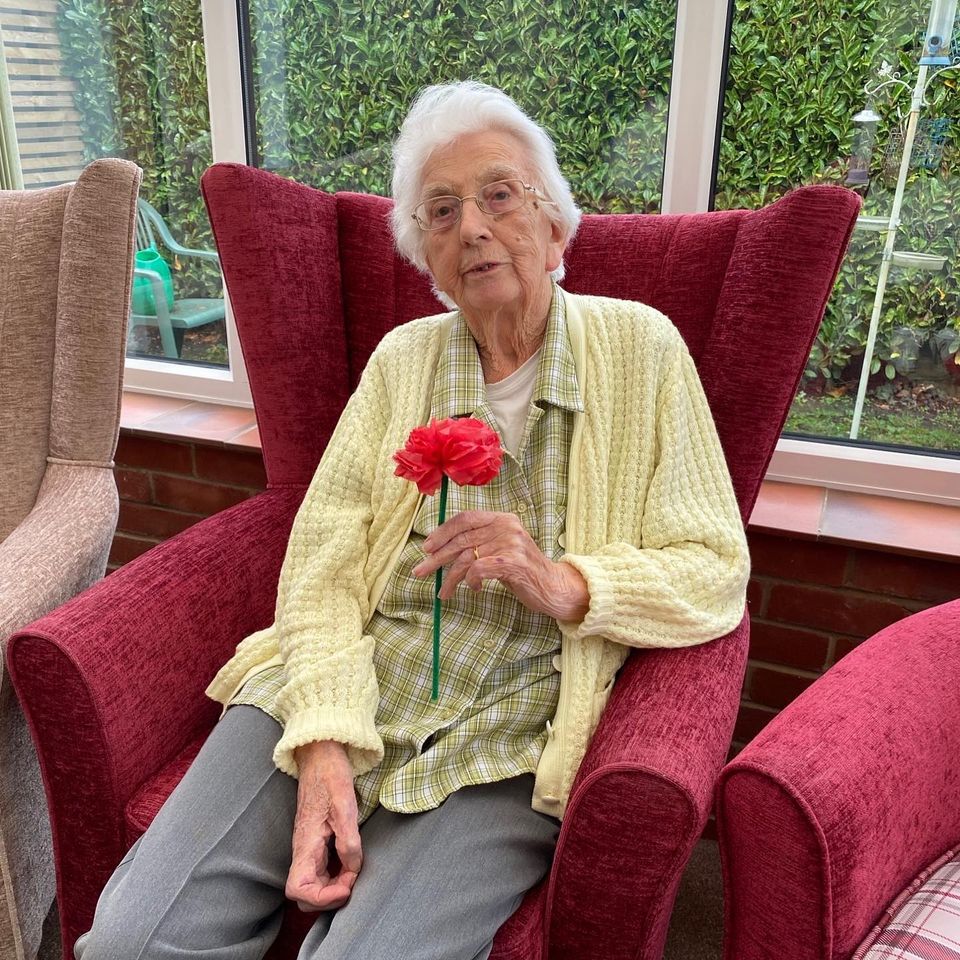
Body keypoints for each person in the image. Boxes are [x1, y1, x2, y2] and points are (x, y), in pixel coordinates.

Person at [76, 80, 750, 960]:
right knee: (133, 939)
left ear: (556, 227)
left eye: (499, 195)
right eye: (440, 212)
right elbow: (322, 556)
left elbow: (713, 565)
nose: (471, 227)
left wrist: (564, 581)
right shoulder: (404, 360)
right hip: (351, 670)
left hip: (514, 725)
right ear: (427, 261)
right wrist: (320, 735)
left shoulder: (644, 350)